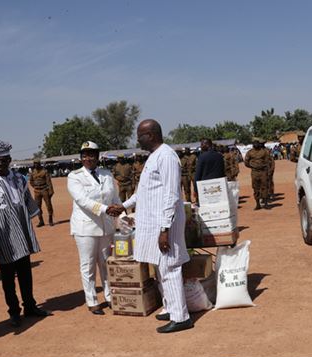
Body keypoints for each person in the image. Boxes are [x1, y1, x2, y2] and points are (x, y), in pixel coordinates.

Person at [110, 119, 192, 334]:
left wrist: (164, 230)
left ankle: (181, 317)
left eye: (141, 135)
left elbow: (172, 195)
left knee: (169, 267)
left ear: (152, 135)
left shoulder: (166, 156)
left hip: (165, 223)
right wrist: (123, 206)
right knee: (159, 267)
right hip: (154, 223)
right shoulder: (153, 157)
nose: (138, 140)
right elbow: (143, 192)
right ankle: (171, 308)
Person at [0, 141, 50, 327]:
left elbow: (27, 203)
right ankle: (13, 312)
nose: (0, 164)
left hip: (21, 232)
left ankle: (30, 305)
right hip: (0, 236)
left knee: (25, 273)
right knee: (7, 277)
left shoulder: (19, 179)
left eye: (4, 160)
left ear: (9, 160)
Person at [67, 141, 122, 315]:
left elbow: (115, 197)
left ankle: (109, 297)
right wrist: (107, 209)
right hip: (86, 228)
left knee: (106, 264)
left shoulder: (106, 174)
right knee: (88, 265)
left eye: (91, 155)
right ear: (81, 158)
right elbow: (83, 201)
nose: (88, 158)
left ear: (97, 157)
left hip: (106, 227)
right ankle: (91, 300)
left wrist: (122, 213)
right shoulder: (74, 176)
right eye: (84, 155)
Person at [244, 139, 271, 210]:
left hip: (263, 172)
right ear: (252, 144)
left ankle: (265, 203)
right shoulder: (250, 152)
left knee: (264, 187)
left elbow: (267, 161)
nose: (256, 144)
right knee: (255, 188)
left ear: (259, 144)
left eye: (257, 143)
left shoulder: (264, 152)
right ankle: (257, 204)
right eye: (254, 143)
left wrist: (263, 166)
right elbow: (246, 162)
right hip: (254, 172)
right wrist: (252, 166)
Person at [29, 158, 54, 227]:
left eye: (37, 163)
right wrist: (35, 186)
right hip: (37, 191)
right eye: (34, 163)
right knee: (37, 206)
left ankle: (50, 219)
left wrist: (51, 191)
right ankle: (41, 221)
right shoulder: (32, 172)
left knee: (48, 205)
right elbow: (31, 181)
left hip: (44, 190)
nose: (36, 165)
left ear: (39, 164)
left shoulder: (44, 172)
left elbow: (49, 182)